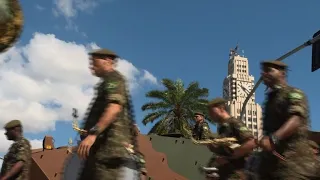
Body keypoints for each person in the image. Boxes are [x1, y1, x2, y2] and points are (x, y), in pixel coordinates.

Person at [77, 48, 139, 180]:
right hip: (98, 151)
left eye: (94, 61)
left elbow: (114, 107)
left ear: (107, 60)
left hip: (108, 151)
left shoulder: (114, 78)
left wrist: (93, 134)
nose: (91, 65)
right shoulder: (106, 82)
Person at [256, 60, 320, 179]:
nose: (264, 74)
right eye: (263, 71)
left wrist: (273, 139)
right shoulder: (269, 100)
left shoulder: (293, 93)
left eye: (269, 70)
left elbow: (296, 119)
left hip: (293, 163)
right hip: (272, 165)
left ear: (282, 73)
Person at [206, 98, 256, 180]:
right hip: (227, 173)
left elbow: (251, 143)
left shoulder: (234, 123)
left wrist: (230, 158)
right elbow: (227, 149)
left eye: (212, 112)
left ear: (221, 108)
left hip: (238, 172)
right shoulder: (222, 128)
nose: (210, 115)